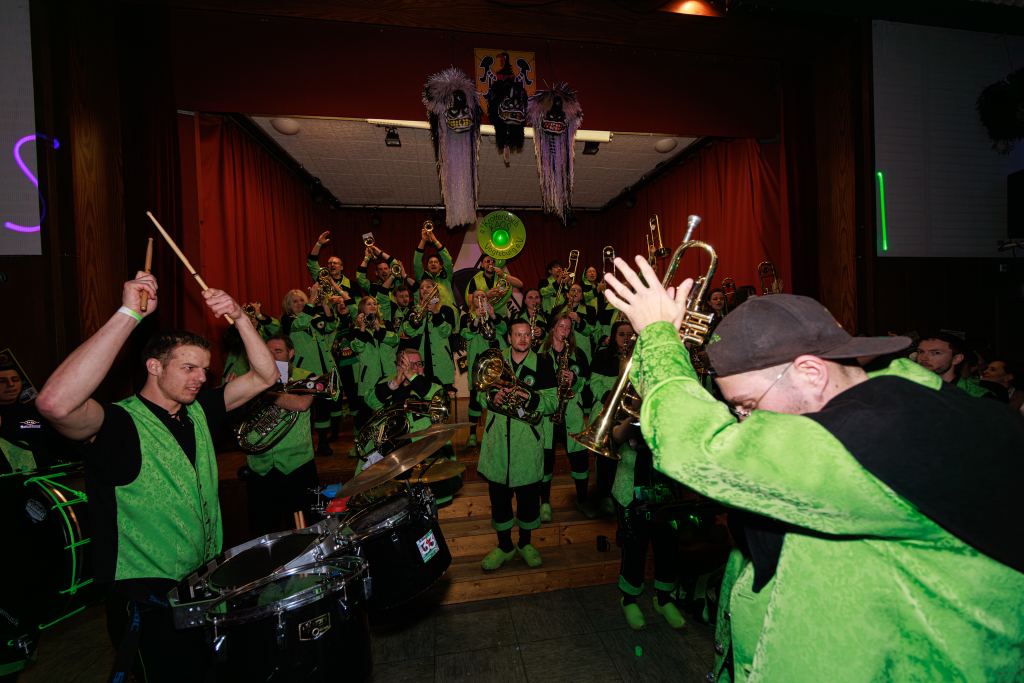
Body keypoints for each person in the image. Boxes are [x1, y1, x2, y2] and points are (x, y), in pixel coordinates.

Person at [602, 255, 1024, 683]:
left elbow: (699, 449)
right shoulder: (898, 396)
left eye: (747, 406)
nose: (747, 421)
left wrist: (657, 337)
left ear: (809, 372)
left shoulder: (889, 435)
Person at [35, 272, 279, 683]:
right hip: (147, 601)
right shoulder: (116, 423)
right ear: (154, 366)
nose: (201, 378)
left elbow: (266, 376)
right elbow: (55, 403)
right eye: (188, 367)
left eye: (204, 369)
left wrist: (239, 317)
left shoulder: (200, 408)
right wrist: (129, 313)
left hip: (202, 584)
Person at [476, 319, 557, 570]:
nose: (522, 339)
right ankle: (504, 546)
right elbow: (479, 392)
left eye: (526, 335)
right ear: (508, 338)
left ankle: (524, 542)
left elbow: (553, 402)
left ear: (531, 338)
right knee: (499, 498)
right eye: (517, 335)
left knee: (528, 498)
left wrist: (531, 399)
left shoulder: (543, 364)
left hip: (527, 443)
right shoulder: (495, 361)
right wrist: (491, 396)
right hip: (498, 442)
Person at [610, 394, 684, 631]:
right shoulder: (622, 398)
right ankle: (628, 599)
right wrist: (636, 411)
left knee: (667, 543)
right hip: (632, 484)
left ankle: (664, 598)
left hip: (663, 482)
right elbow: (617, 436)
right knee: (635, 545)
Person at [235, 334, 319, 538]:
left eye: (278, 351)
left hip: (297, 466)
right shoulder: (247, 378)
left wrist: (262, 392)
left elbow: (302, 404)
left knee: (306, 534)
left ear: (290, 354)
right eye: (267, 351)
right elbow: (235, 419)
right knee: (262, 534)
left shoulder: (307, 376)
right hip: (260, 467)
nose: (271, 355)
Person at [364, 348, 461, 504]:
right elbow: (370, 400)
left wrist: (413, 377)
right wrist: (395, 383)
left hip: (426, 452)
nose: (415, 368)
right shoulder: (387, 382)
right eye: (410, 364)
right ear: (398, 366)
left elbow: (442, 402)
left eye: (419, 364)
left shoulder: (429, 383)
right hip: (393, 454)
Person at [538, 313, 591, 522]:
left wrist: (575, 380)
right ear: (552, 329)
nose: (565, 332)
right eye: (561, 327)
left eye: (568, 328)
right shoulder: (539, 355)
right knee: (546, 460)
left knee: (579, 458)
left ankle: (583, 498)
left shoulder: (578, 355)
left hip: (572, 413)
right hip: (549, 416)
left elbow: (585, 382)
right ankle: (544, 502)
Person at [587, 320, 634, 514]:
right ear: (614, 337)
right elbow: (594, 382)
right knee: (605, 458)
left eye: (629, 334)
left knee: (627, 456)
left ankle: (623, 494)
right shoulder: (602, 356)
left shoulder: (638, 358)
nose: (625, 338)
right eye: (621, 334)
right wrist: (610, 398)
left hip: (628, 415)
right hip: (606, 410)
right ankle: (605, 494)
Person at [290, 283, 343, 455]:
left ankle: (322, 442)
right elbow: (300, 324)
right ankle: (303, 443)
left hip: (324, 370)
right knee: (305, 411)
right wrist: (311, 302)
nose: (299, 304)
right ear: (288, 305)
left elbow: (330, 326)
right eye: (295, 301)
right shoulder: (288, 320)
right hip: (304, 373)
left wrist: (325, 305)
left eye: (301, 300)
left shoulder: (313, 318)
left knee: (322, 409)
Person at [460, 290, 507, 448]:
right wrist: (475, 320)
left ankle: (497, 433)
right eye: (476, 296)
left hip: (495, 363)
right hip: (478, 364)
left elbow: (504, 330)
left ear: (488, 299)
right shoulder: (467, 317)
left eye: (483, 296)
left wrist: (493, 316)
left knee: (498, 397)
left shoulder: (495, 315)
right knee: (474, 400)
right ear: (472, 301)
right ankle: (472, 434)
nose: (480, 298)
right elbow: (466, 335)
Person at [350, 296, 399, 430]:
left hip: (389, 372)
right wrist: (362, 328)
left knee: (390, 408)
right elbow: (356, 347)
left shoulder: (386, 324)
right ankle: (360, 441)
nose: (373, 306)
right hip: (369, 375)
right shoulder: (356, 328)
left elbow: (395, 340)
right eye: (368, 304)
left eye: (374, 303)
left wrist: (379, 329)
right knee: (365, 411)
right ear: (361, 309)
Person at [403, 277, 456, 393]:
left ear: (435, 291)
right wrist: (420, 312)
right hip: (420, 361)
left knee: (441, 396)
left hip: (441, 360)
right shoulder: (413, 311)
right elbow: (407, 331)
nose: (424, 289)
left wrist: (436, 312)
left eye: (428, 286)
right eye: (421, 287)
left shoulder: (446, 310)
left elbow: (446, 332)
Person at [916, 332, 995, 399]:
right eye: (921, 352)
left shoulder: (978, 397)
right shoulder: (910, 389)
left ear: (956, 359)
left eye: (936, 353)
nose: (923, 358)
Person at [413, 226, 457, 314]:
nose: (433, 263)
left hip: (449, 314)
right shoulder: (422, 278)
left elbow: (448, 260)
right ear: (427, 267)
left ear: (441, 266)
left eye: (436, 262)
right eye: (430, 262)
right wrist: (423, 240)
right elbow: (417, 262)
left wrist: (434, 240)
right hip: (427, 315)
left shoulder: (446, 276)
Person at [308, 231, 360, 302]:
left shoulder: (352, 285)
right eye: (329, 263)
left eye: (335, 263)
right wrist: (319, 244)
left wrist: (341, 300)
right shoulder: (321, 278)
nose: (332, 265)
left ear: (341, 267)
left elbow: (358, 306)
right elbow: (311, 262)